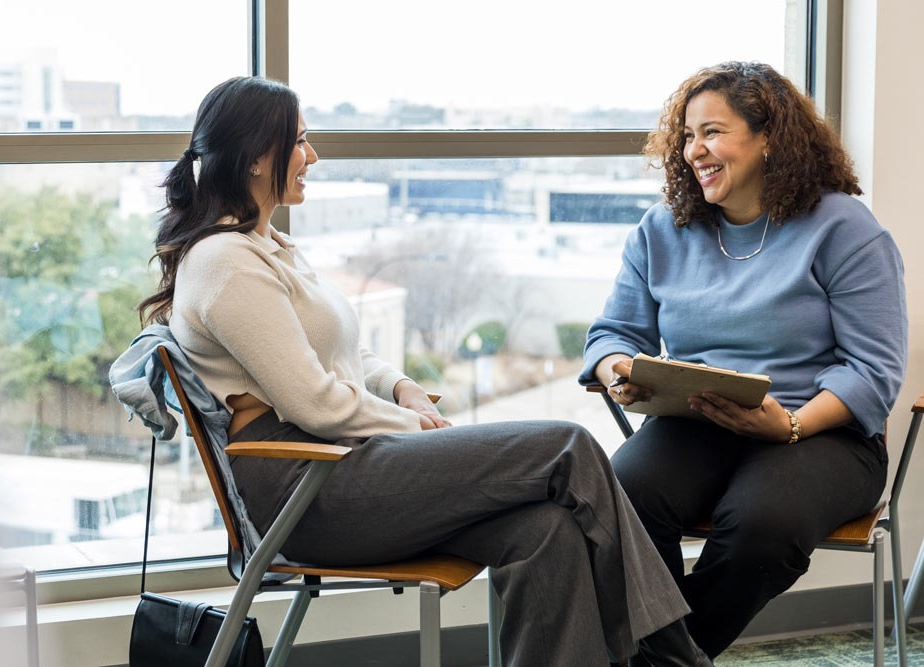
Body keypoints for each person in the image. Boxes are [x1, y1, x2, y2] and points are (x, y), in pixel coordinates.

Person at [134, 75, 711, 667]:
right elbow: (314, 403)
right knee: (568, 443)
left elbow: (343, 354)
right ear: (258, 158)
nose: (312, 156)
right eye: (300, 141)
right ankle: (675, 659)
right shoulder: (226, 263)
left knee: (547, 533)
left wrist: (402, 387)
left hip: (343, 466)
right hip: (305, 489)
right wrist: (415, 428)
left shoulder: (268, 245)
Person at [579, 61, 907, 659]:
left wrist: (789, 423)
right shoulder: (663, 230)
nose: (692, 150)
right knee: (618, 498)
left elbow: (874, 370)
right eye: (685, 136)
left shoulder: (844, 229)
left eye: (711, 132)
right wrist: (619, 370)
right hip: (695, 421)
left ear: (769, 138)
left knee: (762, 525)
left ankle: (660, 658)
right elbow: (610, 333)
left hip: (822, 432)